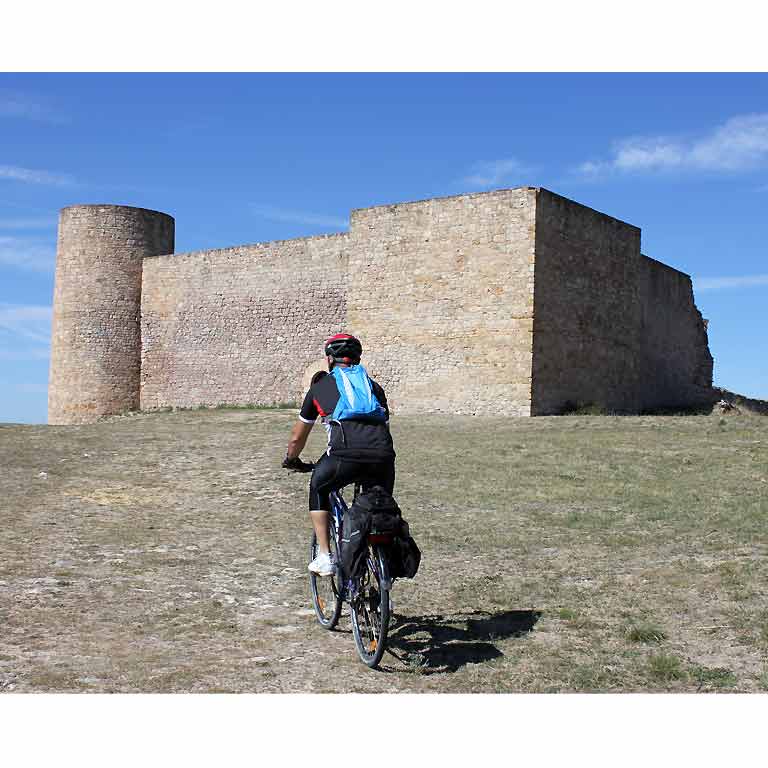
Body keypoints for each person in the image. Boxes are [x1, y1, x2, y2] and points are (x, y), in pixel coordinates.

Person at [282, 334, 396, 576]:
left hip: (344, 456)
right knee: (376, 508)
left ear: (329, 360)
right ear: (357, 358)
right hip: (383, 457)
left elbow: (297, 438)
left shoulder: (322, 387)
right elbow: (383, 425)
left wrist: (291, 459)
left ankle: (325, 556)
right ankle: (380, 563)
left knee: (319, 487)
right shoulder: (374, 388)